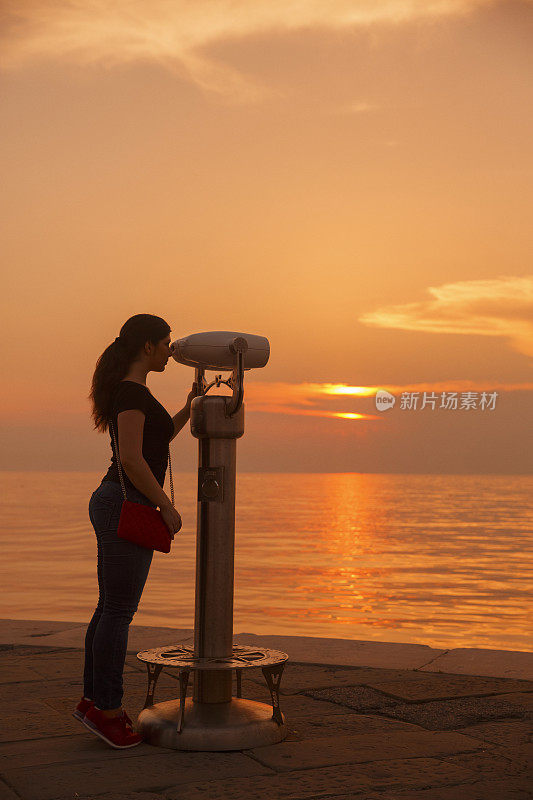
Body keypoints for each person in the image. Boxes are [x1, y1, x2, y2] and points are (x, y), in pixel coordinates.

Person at [74, 314, 197, 749]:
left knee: (109, 608)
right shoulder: (130, 393)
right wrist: (166, 507)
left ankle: (94, 702)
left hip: (119, 502)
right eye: (166, 343)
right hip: (124, 504)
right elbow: (130, 458)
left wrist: (188, 407)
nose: (170, 351)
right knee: (118, 612)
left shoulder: (137, 393)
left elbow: (156, 442)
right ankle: (107, 711)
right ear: (147, 346)